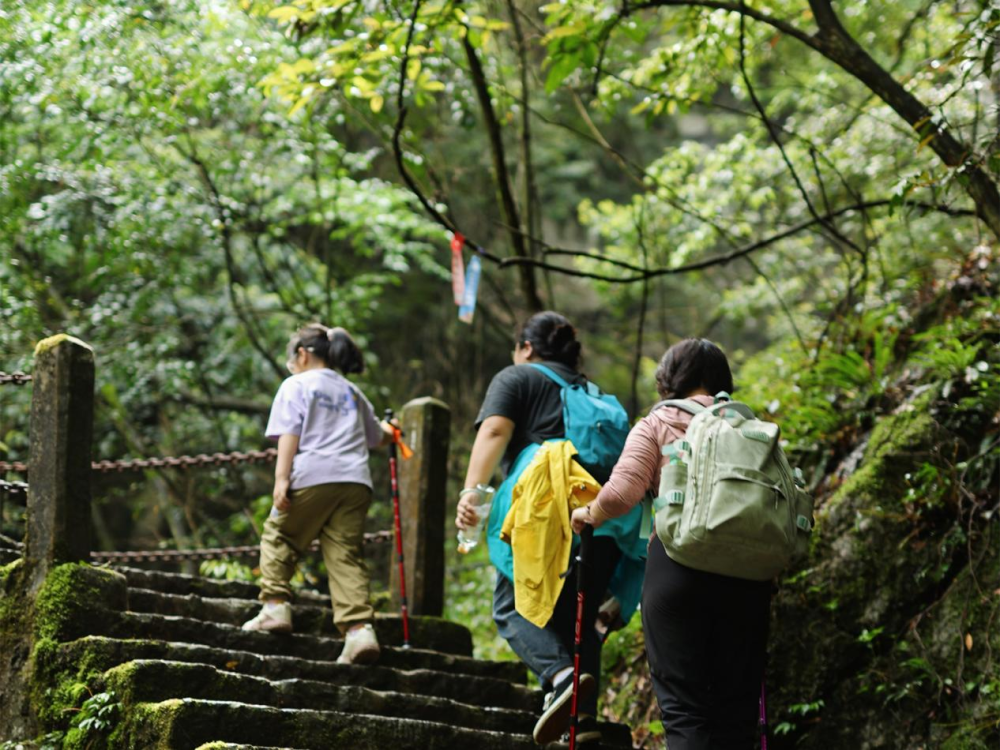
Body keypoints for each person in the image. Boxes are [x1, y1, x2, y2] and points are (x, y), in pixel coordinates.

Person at [571, 339, 772, 749]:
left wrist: (589, 513)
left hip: (680, 565)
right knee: (737, 713)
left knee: (684, 709)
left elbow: (622, 493)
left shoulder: (657, 422)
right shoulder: (751, 428)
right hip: (749, 575)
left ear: (669, 378)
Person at [456, 311, 644, 746]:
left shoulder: (518, 377)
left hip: (548, 511)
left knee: (512, 605)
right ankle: (583, 723)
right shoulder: (595, 394)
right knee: (581, 612)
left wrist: (471, 492)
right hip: (604, 514)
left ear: (526, 348)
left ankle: (562, 680)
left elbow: (495, 430)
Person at [242, 323, 396, 667]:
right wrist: (394, 430)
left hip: (313, 475)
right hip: (355, 483)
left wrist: (282, 479)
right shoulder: (352, 392)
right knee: (345, 554)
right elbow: (377, 436)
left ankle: (275, 606)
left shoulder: (296, 384)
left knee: (281, 534)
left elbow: (289, 433)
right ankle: (359, 631)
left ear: (302, 354)